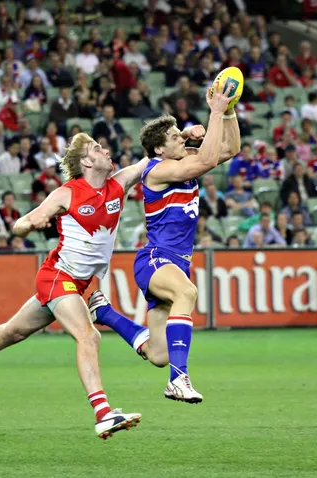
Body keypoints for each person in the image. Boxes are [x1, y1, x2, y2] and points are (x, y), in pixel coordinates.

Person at [0, 132, 149, 439]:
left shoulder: (120, 183)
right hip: (57, 276)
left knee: (13, 331)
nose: (105, 150)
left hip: (77, 284)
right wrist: (28, 225)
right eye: (96, 148)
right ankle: (103, 413)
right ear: (87, 161)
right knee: (88, 336)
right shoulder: (67, 193)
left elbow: (152, 157)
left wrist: (184, 136)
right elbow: (22, 223)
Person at [87, 81, 239, 404]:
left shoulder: (181, 162)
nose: (181, 137)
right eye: (174, 137)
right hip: (156, 259)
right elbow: (209, 160)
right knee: (187, 292)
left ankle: (106, 313)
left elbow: (229, 150)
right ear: (159, 149)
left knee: (158, 353)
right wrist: (214, 112)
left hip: (173, 262)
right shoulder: (158, 170)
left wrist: (229, 111)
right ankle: (179, 380)